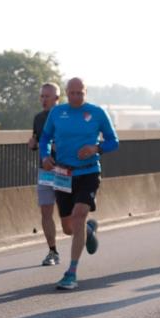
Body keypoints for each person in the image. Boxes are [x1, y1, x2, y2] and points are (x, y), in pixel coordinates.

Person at [38, 77, 119, 290]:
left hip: (89, 172)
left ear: (86, 92)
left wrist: (96, 149)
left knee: (79, 214)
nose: (75, 97)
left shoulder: (97, 112)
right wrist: (45, 156)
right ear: (66, 93)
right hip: (63, 174)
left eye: (79, 93)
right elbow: (45, 138)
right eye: (72, 93)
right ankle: (88, 231)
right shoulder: (57, 113)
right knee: (68, 228)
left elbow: (113, 142)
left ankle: (71, 272)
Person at [29, 82, 62, 266]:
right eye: (41, 96)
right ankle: (52, 251)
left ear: (57, 99)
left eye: (47, 96)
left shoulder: (65, 116)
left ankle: (86, 230)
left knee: (70, 218)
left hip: (65, 170)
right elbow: (37, 139)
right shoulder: (38, 118)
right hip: (45, 171)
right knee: (46, 211)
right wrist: (33, 144)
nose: (43, 100)